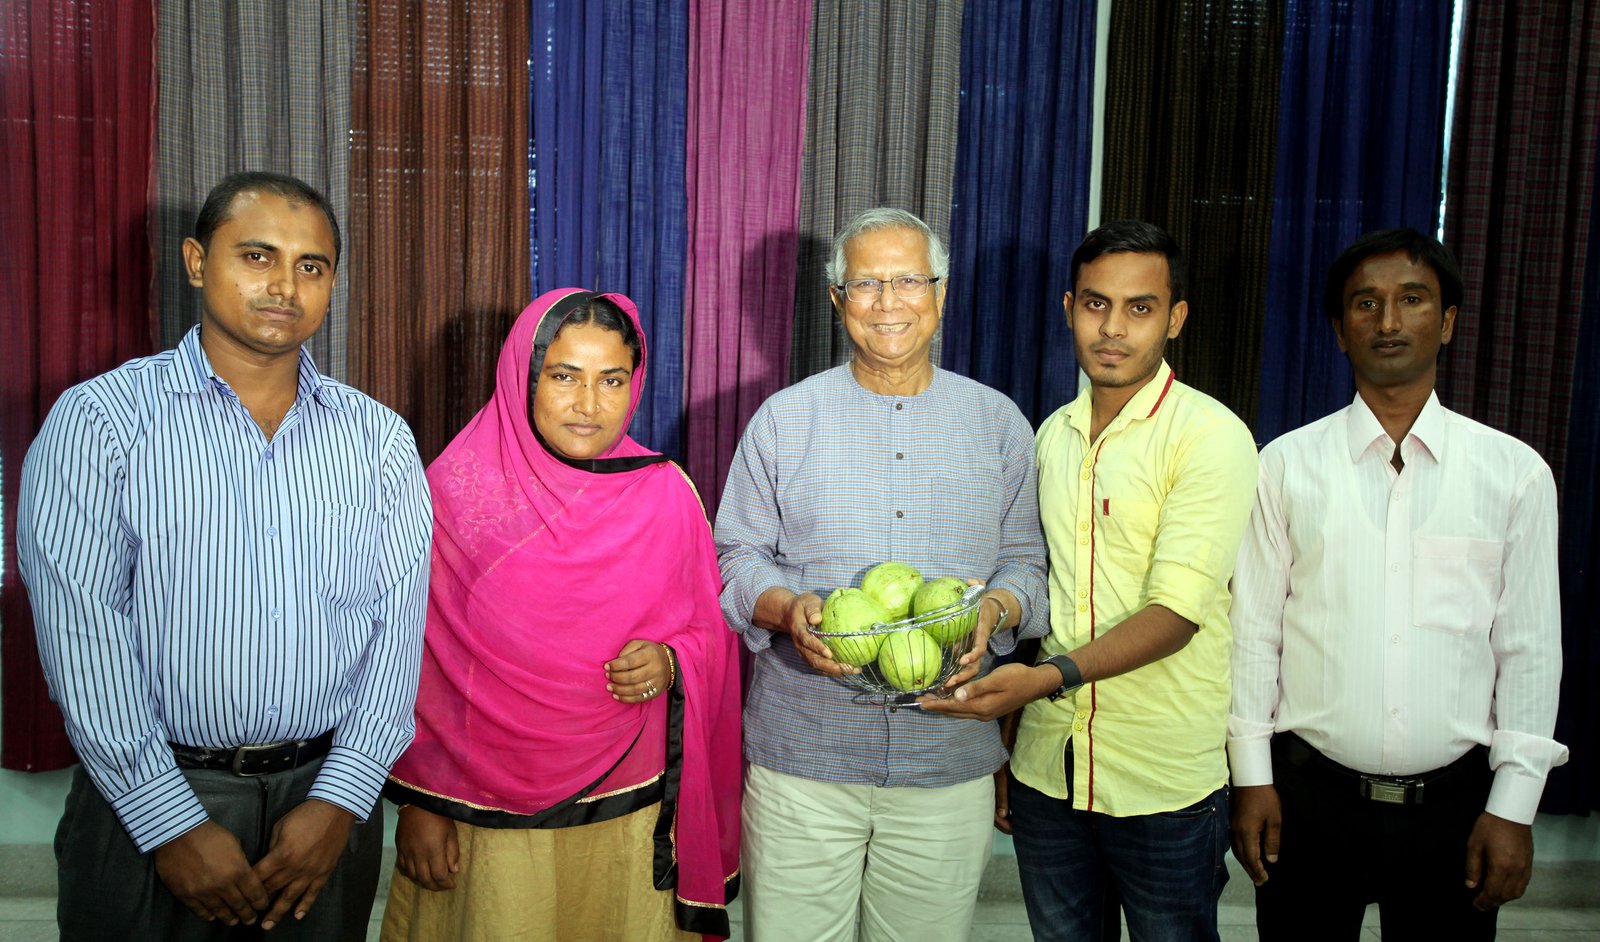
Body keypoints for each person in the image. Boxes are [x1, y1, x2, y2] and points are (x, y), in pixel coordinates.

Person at [16, 171, 433, 940]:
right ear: (197, 261)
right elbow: (83, 638)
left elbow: (396, 636)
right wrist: (168, 822)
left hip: (322, 809)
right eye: (257, 255)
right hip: (149, 803)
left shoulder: (377, 441)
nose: (285, 285)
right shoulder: (102, 423)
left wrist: (343, 799)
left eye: (312, 265)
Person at [714, 207, 1049, 942]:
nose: (888, 302)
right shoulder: (784, 421)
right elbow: (733, 557)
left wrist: (995, 609)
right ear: (837, 299)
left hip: (947, 756)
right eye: (866, 284)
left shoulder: (998, 424)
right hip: (805, 757)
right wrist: (785, 608)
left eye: (909, 281)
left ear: (941, 293)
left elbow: (1027, 563)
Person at [1227, 228, 1568, 939]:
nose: (1388, 321)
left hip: (1456, 807)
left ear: (1447, 322)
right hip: (1308, 800)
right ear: (1338, 330)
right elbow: (1254, 635)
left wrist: (1514, 806)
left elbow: (1530, 652)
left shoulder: (1514, 474)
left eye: (1412, 299)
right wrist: (1252, 778)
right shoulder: (1284, 467)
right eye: (1366, 303)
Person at [923, 219, 1259, 941]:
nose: (1113, 327)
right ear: (1069, 307)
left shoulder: (1210, 436)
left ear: (1175, 319)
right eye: (1097, 303)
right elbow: (1040, 596)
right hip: (1049, 770)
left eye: (1140, 307)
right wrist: (1011, 736)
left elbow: (1176, 614)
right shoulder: (1051, 436)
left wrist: (1040, 684)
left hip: (1163, 781)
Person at [379, 289, 742, 942]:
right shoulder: (456, 494)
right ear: (524, 377)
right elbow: (410, 656)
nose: (588, 404)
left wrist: (671, 662)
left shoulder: (666, 494)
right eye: (564, 377)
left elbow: (710, 635)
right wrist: (419, 801)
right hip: (478, 807)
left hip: (628, 803)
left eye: (612, 380)